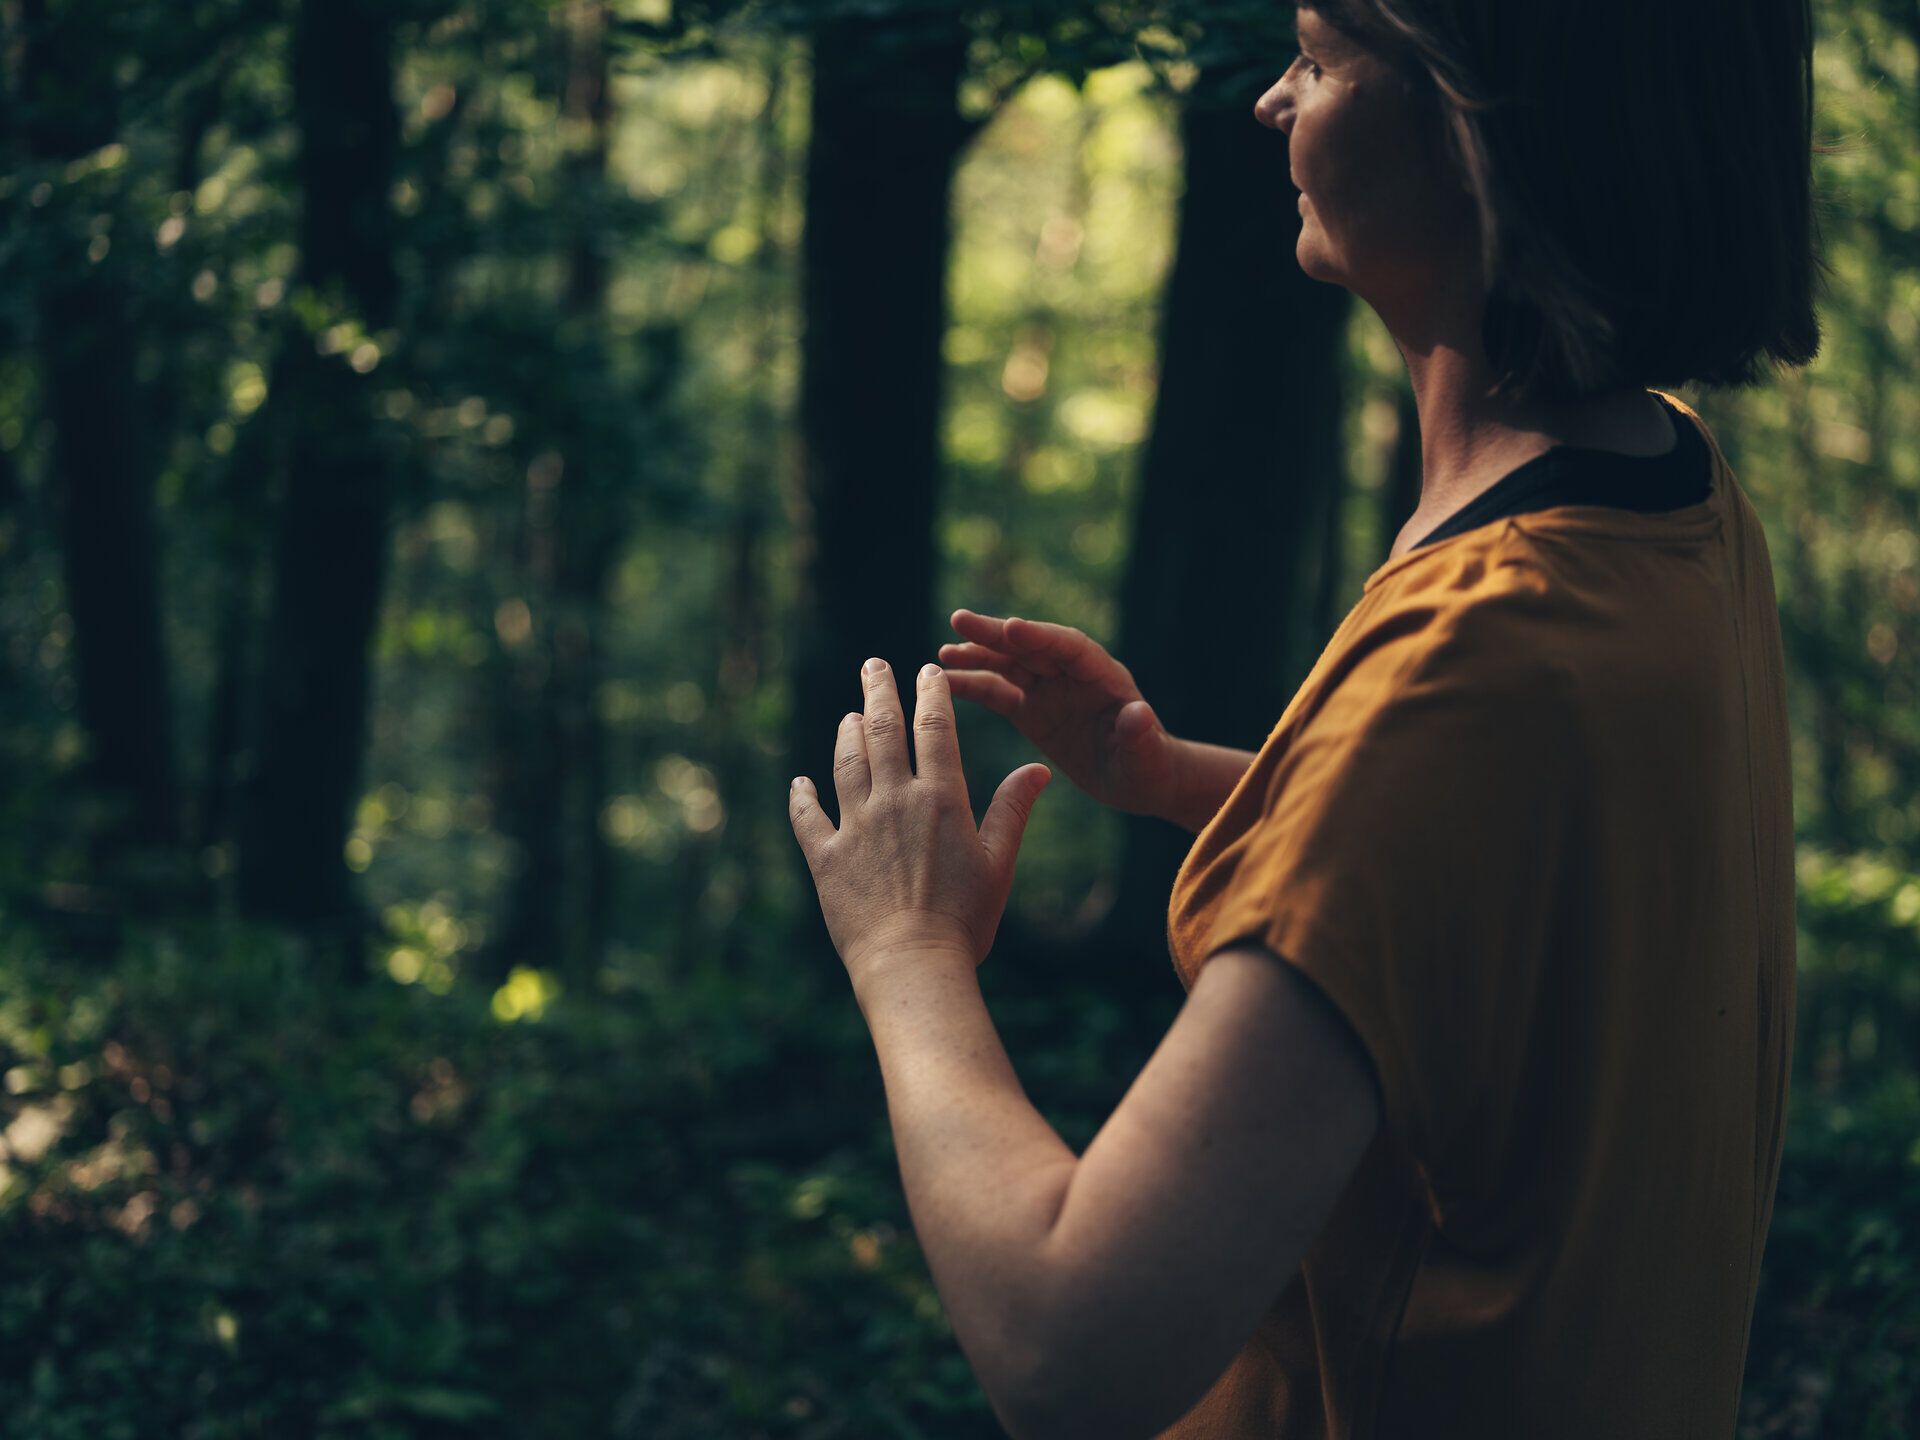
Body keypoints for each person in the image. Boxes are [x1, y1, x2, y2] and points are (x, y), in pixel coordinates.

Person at [792, 1, 1828, 1435]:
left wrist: (905, 950)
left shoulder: (1468, 658)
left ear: (1478, 129)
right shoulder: (1678, 506)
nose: (1272, 101)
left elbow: (1068, 1350)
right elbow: (1520, 890)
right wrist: (1191, 781)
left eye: (1322, 56)